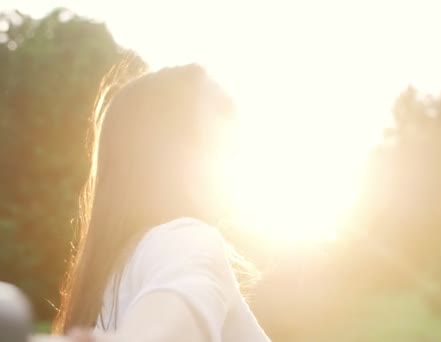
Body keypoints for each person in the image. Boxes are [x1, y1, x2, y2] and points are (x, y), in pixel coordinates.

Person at [36, 64, 270, 342]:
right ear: (174, 146)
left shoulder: (108, 282)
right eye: (225, 109)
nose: (244, 126)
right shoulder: (188, 239)